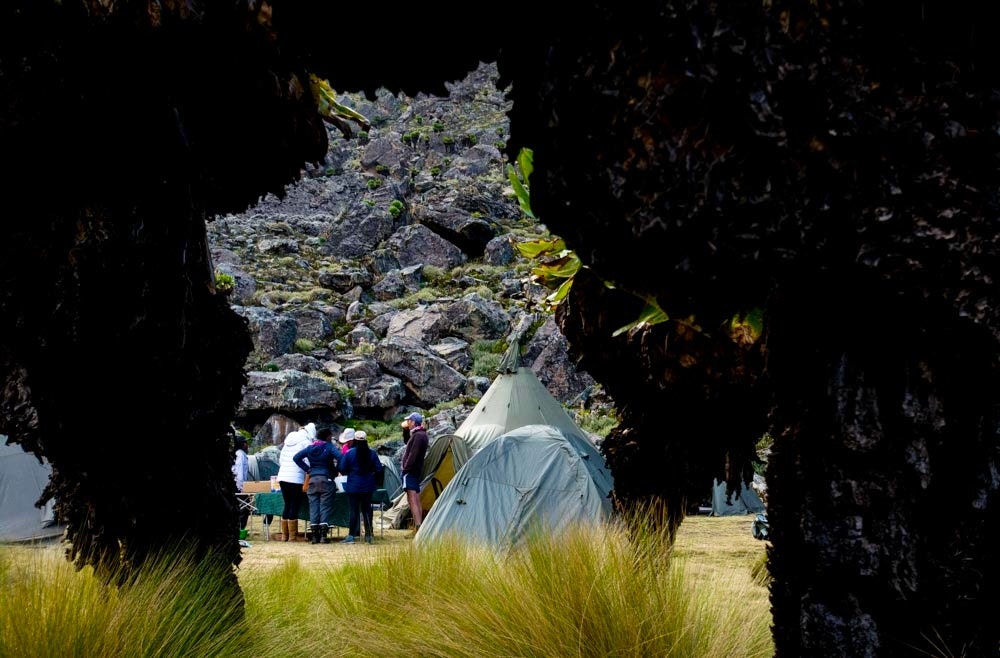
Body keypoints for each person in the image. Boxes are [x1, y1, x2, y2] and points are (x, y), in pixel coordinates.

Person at [293, 426, 339, 544]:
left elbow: (296, 457)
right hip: (326, 480)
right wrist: (336, 469)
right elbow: (340, 457)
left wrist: (307, 469)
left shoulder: (310, 447)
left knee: (313, 507)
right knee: (325, 506)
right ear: (328, 437)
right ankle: (323, 536)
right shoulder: (329, 447)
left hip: (312, 480)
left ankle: (314, 536)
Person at [337, 430, 384, 544]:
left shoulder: (349, 453)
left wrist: (350, 472)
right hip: (368, 486)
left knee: (353, 511)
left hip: (353, 485)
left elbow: (342, 468)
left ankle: (351, 536)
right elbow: (379, 469)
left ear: (354, 440)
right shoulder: (372, 453)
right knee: (367, 510)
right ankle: (368, 536)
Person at [276, 422, 314, 541]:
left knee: (287, 503)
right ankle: (292, 536)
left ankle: (284, 536)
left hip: (282, 476)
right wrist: (308, 471)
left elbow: (281, 459)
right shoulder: (306, 442)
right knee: (294, 504)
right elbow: (307, 461)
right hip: (296, 478)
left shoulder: (288, 442)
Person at [399, 412, 429, 534]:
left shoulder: (418, 436)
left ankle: (418, 527)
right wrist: (405, 430)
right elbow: (408, 442)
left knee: (412, 499)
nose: (408, 423)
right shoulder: (420, 434)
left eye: (409, 421)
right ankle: (419, 526)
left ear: (414, 421)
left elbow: (413, 454)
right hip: (415, 470)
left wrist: (405, 468)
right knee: (416, 497)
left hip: (410, 471)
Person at [232, 436, 251, 533]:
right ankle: (240, 529)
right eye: (246, 443)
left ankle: (239, 529)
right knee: (245, 508)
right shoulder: (241, 455)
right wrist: (242, 488)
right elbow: (239, 472)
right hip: (239, 486)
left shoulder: (238, 454)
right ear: (243, 444)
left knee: (243, 508)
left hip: (237, 485)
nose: (247, 445)